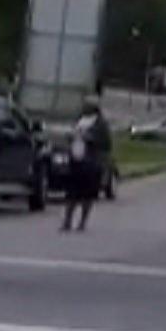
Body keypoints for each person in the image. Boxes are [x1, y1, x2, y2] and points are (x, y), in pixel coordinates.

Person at [61, 95, 111, 232]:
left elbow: (106, 144)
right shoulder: (80, 120)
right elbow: (73, 135)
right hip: (76, 161)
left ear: (94, 108)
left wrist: (90, 138)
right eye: (85, 105)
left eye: (88, 106)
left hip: (91, 164)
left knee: (87, 195)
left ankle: (82, 222)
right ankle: (67, 221)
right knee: (71, 194)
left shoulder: (101, 124)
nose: (84, 108)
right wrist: (70, 138)